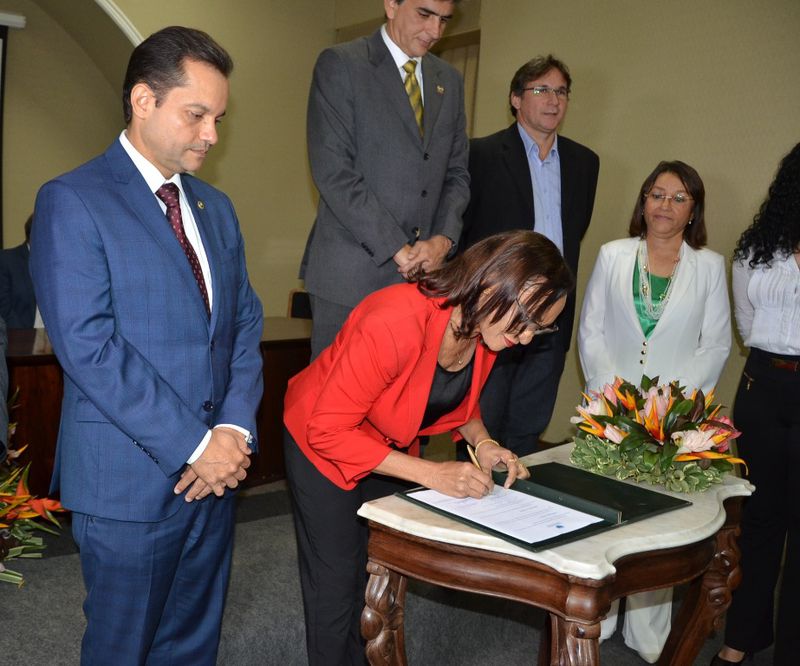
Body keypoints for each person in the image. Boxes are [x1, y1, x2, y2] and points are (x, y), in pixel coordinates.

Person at [29, 27, 264, 664]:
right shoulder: (72, 201)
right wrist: (196, 445)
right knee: (121, 648)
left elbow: (243, 323)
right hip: (128, 481)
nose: (212, 134)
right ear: (142, 101)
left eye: (218, 117)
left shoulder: (216, 207)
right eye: (196, 115)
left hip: (215, 477)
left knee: (192, 645)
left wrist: (234, 432)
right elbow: (89, 347)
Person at [284, 230, 574, 664]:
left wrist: (484, 442)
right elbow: (330, 430)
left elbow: (458, 399)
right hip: (321, 440)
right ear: (494, 285)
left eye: (541, 328)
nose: (529, 338)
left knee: (378, 571)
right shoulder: (396, 317)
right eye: (527, 322)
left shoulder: (486, 327)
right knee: (336, 581)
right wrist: (432, 474)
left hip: (385, 441)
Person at [578, 160, 731, 662]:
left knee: (654, 524)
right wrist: (613, 399)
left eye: (678, 197)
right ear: (642, 202)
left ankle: (648, 635)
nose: (664, 206)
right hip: (611, 409)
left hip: (673, 419)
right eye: (656, 194)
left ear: (693, 211)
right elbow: (592, 329)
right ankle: (594, 621)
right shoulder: (613, 254)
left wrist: (671, 409)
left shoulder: (709, 266)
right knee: (603, 517)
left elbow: (716, 345)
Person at [301, 0, 470, 359]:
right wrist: (397, 247)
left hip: (422, 281)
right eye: (424, 15)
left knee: (398, 408)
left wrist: (443, 239)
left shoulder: (449, 81)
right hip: (350, 278)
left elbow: (456, 173)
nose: (435, 32)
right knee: (333, 406)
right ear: (391, 5)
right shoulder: (342, 64)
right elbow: (335, 172)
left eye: (444, 20)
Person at [460, 55, 599, 456]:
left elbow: (575, 231)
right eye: (541, 89)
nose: (553, 100)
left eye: (560, 91)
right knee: (479, 424)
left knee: (528, 426)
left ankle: (519, 508)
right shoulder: (480, 155)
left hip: (550, 318)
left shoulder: (584, 163)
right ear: (516, 99)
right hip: (495, 310)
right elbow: (464, 235)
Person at [713, 143, 800, 666]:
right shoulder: (757, 249)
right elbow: (747, 323)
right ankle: (741, 639)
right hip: (763, 386)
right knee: (760, 520)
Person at [0, 215, 40, 329]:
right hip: (20, 339)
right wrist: (26, 338)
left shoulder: (56, 264)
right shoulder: (7, 260)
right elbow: (4, 310)